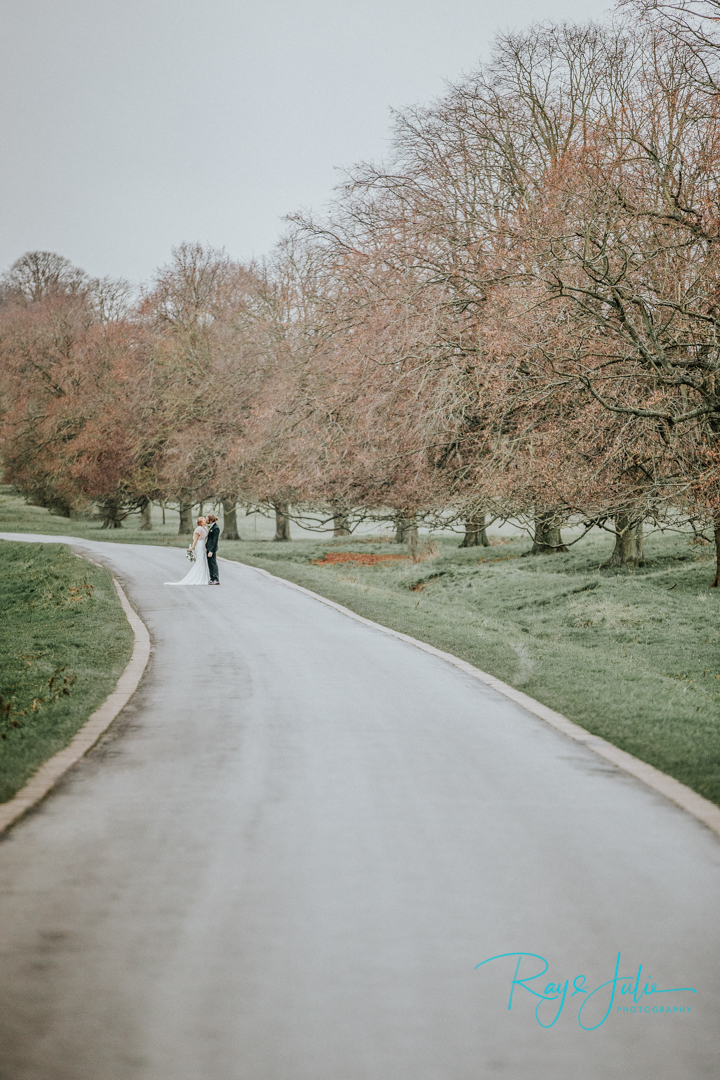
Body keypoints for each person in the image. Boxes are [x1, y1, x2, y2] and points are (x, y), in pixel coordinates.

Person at [164, 517, 211, 585]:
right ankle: (197, 578)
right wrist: (192, 547)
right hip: (199, 545)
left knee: (203, 561)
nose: (205, 521)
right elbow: (195, 539)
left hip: (203, 545)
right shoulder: (198, 529)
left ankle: (203, 577)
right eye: (203, 520)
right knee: (200, 560)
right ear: (200, 522)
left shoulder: (205, 528)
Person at [206, 514, 220, 585]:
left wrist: (211, 550)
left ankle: (216, 578)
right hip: (208, 548)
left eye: (207, 519)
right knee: (209, 563)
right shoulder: (212, 527)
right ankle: (212, 578)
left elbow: (215, 540)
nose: (206, 520)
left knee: (213, 563)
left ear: (210, 520)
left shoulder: (216, 528)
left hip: (212, 548)